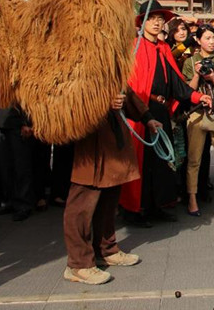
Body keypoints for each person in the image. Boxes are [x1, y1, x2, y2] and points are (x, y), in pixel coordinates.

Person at [119, 2, 212, 226]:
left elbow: (177, 86)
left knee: (160, 163)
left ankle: (156, 207)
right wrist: (142, 113)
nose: (157, 22)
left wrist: (199, 97)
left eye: (160, 18)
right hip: (140, 113)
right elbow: (130, 86)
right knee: (141, 164)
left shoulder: (162, 49)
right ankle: (134, 210)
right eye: (152, 18)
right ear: (142, 21)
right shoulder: (134, 47)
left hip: (160, 112)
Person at [63, 92, 153, 285]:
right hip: (90, 144)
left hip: (112, 142)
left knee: (109, 199)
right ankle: (78, 264)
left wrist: (148, 119)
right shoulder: (79, 64)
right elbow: (66, 100)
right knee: (81, 205)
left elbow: (126, 93)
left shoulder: (111, 65)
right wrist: (102, 101)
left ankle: (106, 250)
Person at [182, 23, 214, 217]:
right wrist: (196, 73)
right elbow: (188, 91)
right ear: (198, 40)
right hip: (197, 111)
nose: (212, 42)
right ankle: (192, 198)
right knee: (194, 158)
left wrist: (212, 78)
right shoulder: (190, 61)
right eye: (208, 38)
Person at [0, 106, 35, 222]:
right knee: (5, 166)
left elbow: (28, 97)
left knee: (21, 167)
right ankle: (9, 202)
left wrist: (27, 123)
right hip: (0, 122)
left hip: (18, 123)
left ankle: (24, 205)